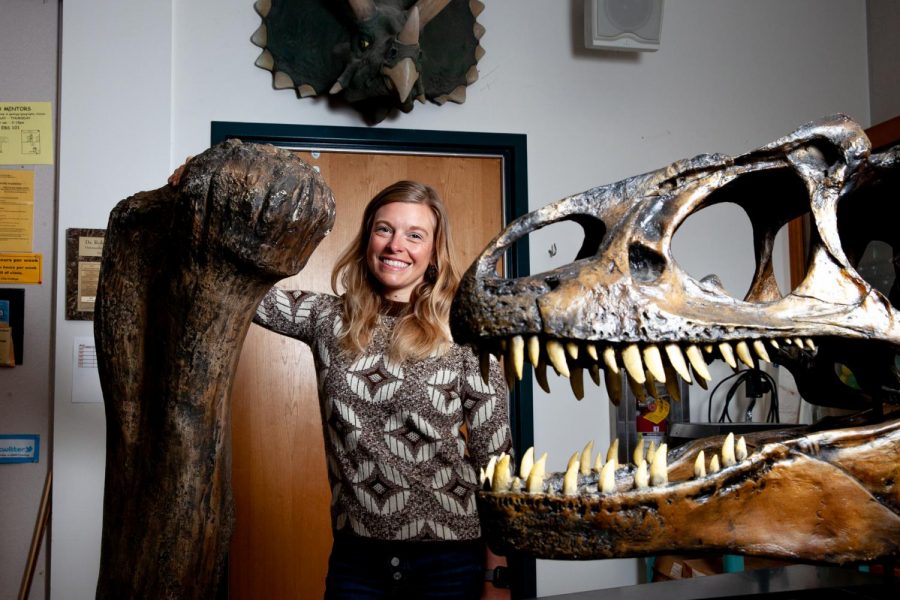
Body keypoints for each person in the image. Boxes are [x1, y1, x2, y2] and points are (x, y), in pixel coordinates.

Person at [251, 180, 513, 598]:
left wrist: (497, 575)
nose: (396, 246)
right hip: (357, 561)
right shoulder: (325, 318)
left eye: (415, 235)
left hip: (451, 561)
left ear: (433, 251)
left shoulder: (466, 331)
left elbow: (495, 459)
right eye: (384, 229)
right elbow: (244, 292)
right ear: (367, 239)